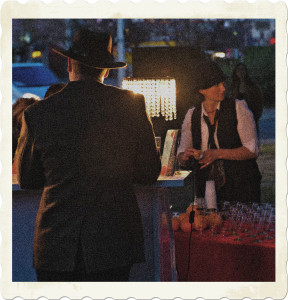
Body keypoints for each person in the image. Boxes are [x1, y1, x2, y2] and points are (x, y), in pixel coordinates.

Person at [16, 29, 161, 282]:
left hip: (56, 245)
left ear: (69, 63)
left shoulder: (38, 113)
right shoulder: (132, 104)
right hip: (114, 244)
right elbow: (149, 172)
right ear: (106, 70)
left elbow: (28, 180)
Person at [177, 60, 261, 204]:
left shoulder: (238, 108)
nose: (223, 87)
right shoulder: (192, 115)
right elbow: (181, 153)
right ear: (202, 90)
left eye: (223, 82)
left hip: (241, 185)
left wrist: (217, 154)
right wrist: (185, 157)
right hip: (207, 187)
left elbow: (252, 150)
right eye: (216, 84)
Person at [231, 62, 263, 133]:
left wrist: (256, 116)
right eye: (238, 70)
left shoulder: (253, 85)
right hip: (239, 118)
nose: (241, 72)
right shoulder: (234, 86)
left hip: (251, 117)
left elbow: (259, 101)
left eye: (243, 69)